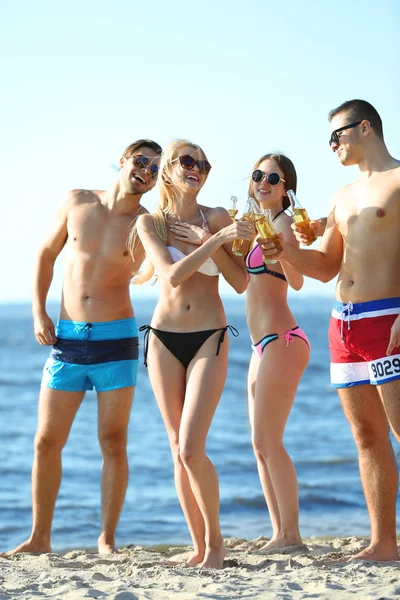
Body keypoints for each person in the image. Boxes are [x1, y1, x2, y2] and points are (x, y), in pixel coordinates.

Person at [1, 139, 162, 557]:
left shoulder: (147, 223)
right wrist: (39, 312)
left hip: (117, 340)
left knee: (113, 442)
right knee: (45, 441)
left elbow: (169, 263)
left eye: (155, 169)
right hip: (67, 339)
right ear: (124, 160)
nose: (146, 171)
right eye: (142, 161)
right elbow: (44, 254)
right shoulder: (76, 201)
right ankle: (40, 538)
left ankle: (106, 539)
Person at [260, 99, 400, 562]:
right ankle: (383, 544)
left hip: (389, 318)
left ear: (365, 128)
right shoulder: (342, 195)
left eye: (336, 136)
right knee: (367, 438)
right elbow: (322, 267)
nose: (332, 145)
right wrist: (281, 250)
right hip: (344, 325)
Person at [136, 139, 254, 569]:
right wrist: (214, 242)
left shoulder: (219, 217)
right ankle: (200, 546)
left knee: (190, 448)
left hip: (209, 336)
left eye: (203, 163)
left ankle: (217, 544)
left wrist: (214, 236)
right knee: (175, 447)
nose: (197, 168)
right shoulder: (151, 223)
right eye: (187, 160)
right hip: (163, 338)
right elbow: (170, 275)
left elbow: (240, 282)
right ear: (168, 169)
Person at [245, 153, 310, 552]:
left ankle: (292, 536)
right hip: (261, 345)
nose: (263, 182)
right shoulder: (256, 226)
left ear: (287, 188)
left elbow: (300, 281)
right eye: (258, 175)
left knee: (270, 440)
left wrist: (281, 254)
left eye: (273, 177)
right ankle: (278, 532)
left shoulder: (283, 224)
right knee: (259, 444)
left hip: (282, 341)